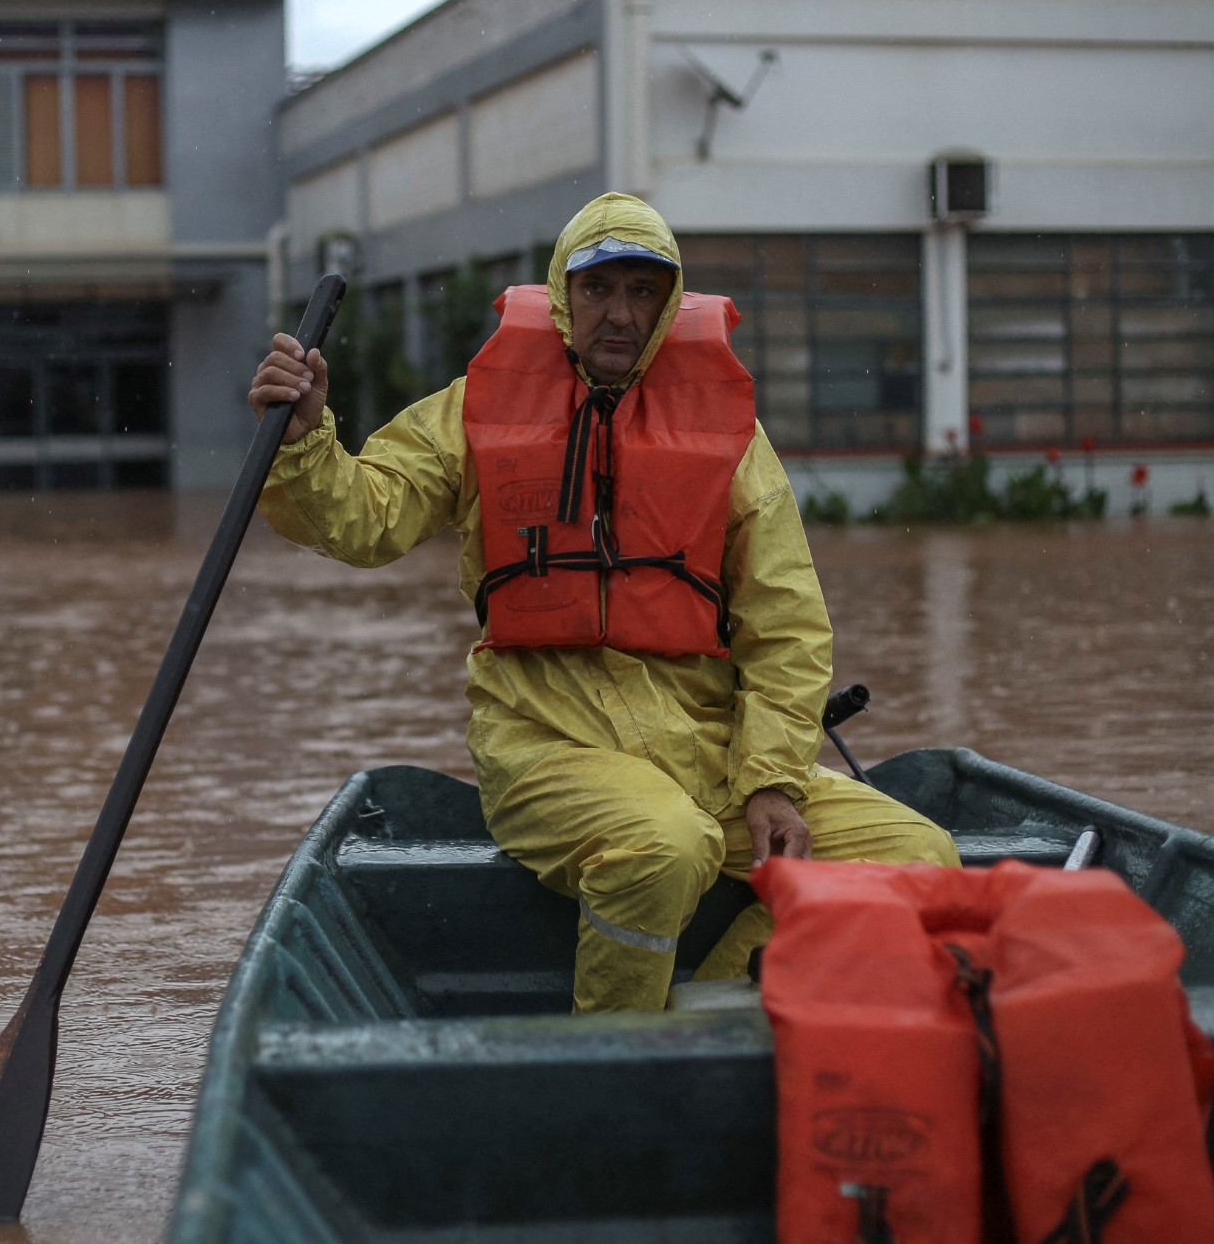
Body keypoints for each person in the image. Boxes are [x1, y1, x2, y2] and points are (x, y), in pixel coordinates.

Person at [248, 193, 958, 1012]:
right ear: (562, 295)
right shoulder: (477, 407)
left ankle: (723, 1010)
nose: (620, 314)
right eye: (599, 289)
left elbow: (786, 624)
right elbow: (367, 517)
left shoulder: (729, 432)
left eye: (642, 291)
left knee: (920, 854)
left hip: (707, 745)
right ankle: (614, 1051)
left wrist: (772, 779)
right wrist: (305, 440)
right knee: (663, 844)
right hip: (544, 741)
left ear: (667, 301)